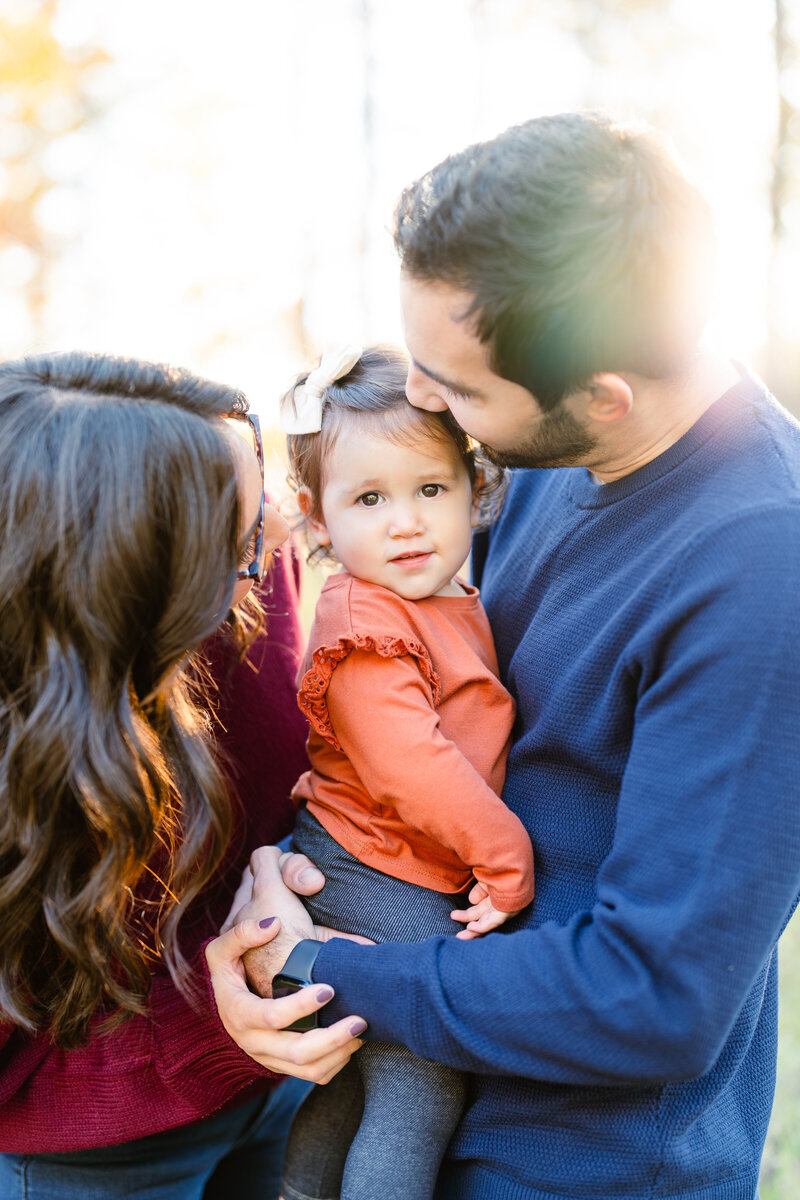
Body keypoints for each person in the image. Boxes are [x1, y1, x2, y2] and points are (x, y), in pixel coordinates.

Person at [238, 113, 800, 1200]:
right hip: (405, 1086)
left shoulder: (760, 570)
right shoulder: (537, 457)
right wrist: (278, 882)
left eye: (457, 387)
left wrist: (325, 972)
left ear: (601, 397)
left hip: (570, 1169)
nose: (422, 402)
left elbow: (653, 998)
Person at [0, 351, 366, 1200]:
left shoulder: (248, 581)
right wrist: (215, 1019)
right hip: (85, 1151)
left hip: (274, 1094)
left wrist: (284, 873)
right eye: (240, 539)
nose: (278, 534)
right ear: (127, 580)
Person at [276, 343, 534, 1200]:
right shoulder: (363, 619)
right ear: (319, 520)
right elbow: (409, 764)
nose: (406, 522)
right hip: (367, 869)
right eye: (369, 499)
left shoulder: (441, 600)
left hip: (388, 865)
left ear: (474, 488)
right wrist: (505, 856)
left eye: (430, 490)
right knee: (422, 1078)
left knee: (351, 1081)